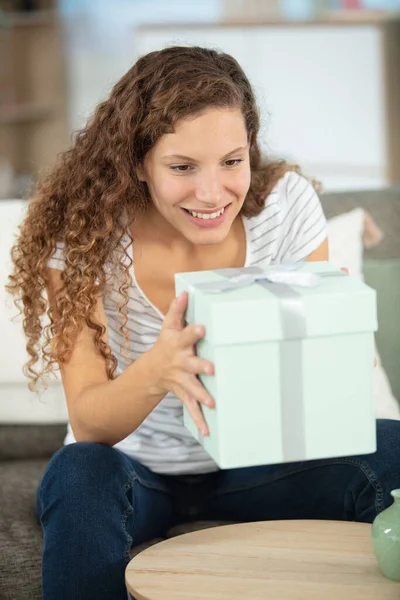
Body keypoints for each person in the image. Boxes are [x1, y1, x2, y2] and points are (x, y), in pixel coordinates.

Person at [7, 46, 400, 600]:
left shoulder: (283, 209)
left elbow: (313, 375)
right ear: (138, 162)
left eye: (232, 161)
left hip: (267, 466)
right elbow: (91, 422)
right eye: (182, 167)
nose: (212, 193)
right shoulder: (83, 235)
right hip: (135, 473)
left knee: (392, 448)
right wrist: (160, 369)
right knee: (78, 471)